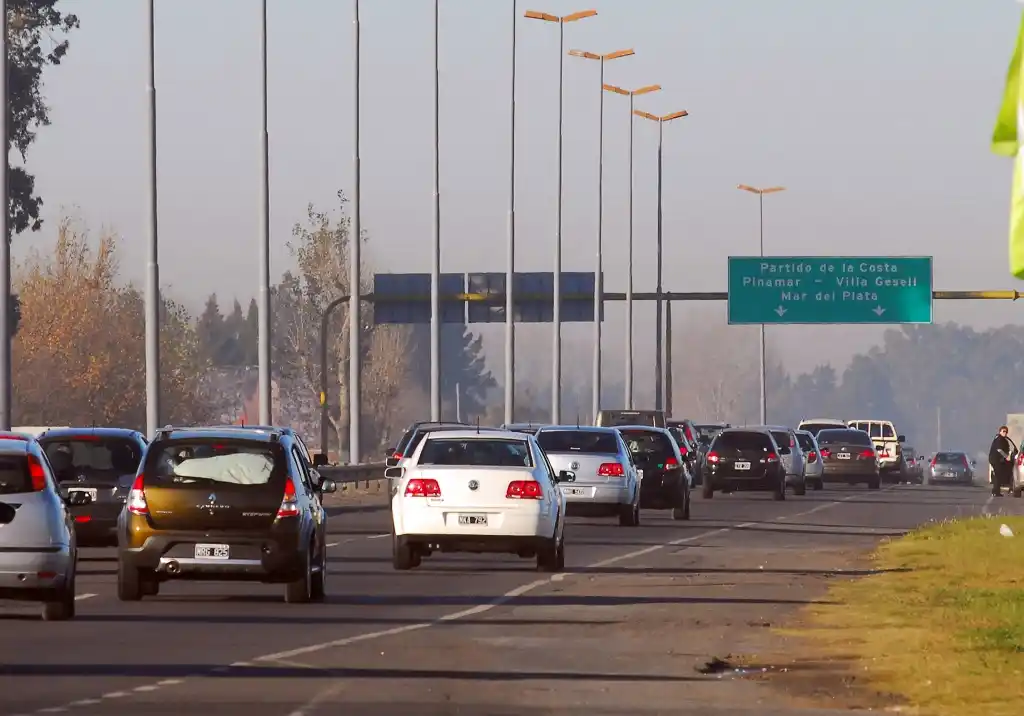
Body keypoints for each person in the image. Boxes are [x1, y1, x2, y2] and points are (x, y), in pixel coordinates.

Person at [988, 425, 1016, 496]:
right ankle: (995, 492)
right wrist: (1006, 457)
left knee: (999, 475)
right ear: (1000, 432)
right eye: (1003, 431)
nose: (1005, 433)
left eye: (1006, 432)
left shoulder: (1003, 439)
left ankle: (996, 491)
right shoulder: (999, 439)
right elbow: (999, 449)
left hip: (998, 460)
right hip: (995, 459)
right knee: (998, 475)